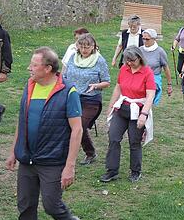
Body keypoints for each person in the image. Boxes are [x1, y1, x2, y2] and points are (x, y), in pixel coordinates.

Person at [6, 47, 83, 220]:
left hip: (52, 160)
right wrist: (14, 151)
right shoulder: (29, 87)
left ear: (48, 68)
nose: (29, 68)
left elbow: (77, 130)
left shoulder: (67, 92)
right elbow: (22, 120)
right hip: (27, 159)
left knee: (51, 204)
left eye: (34, 65)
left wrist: (70, 165)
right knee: (25, 206)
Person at [100, 46, 156, 183]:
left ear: (140, 58)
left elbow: (150, 95)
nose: (129, 63)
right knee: (113, 137)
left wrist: (144, 114)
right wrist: (110, 106)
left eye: (132, 60)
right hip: (123, 108)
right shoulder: (124, 69)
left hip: (138, 110)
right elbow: (118, 87)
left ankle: (135, 171)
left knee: (134, 142)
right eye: (127, 60)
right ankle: (112, 170)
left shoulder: (147, 72)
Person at [63, 33, 111, 166]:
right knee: (67, 125)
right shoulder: (73, 57)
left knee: (80, 126)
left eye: (87, 47)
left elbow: (107, 82)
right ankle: (63, 152)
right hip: (73, 98)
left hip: (91, 100)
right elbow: (65, 75)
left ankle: (90, 153)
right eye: (81, 46)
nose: (84, 50)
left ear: (93, 47)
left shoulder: (99, 60)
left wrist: (96, 85)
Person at [140, 29, 172, 105]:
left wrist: (169, 85)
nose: (145, 41)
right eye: (143, 38)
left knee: (148, 101)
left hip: (154, 79)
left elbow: (166, 68)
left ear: (154, 39)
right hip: (141, 78)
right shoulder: (140, 50)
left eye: (147, 39)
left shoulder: (160, 52)